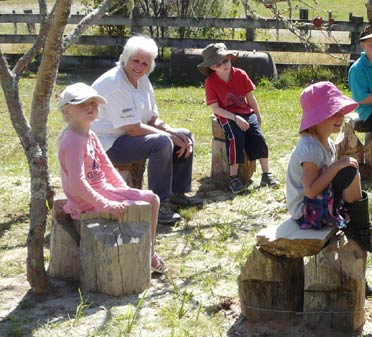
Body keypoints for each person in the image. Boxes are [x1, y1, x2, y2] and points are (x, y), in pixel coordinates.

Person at [91, 35, 201, 226]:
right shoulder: (114, 84)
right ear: (126, 57)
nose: (140, 66)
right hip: (106, 144)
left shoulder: (143, 81)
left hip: (126, 136)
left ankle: (178, 194)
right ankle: (160, 201)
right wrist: (168, 136)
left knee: (185, 134)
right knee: (162, 142)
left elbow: (152, 118)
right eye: (136, 60)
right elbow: (133, 129)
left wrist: (173, 132)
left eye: (145, 63)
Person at [57, 82, 166, 274]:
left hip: (103, 190)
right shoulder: (73, 139)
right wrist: (105, 204)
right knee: (151, 200)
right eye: (82, 104)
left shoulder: (90, 135)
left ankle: (148, 248)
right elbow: (76, 182)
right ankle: (148, 252)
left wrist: (124, 191)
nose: (90, 107)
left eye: (94, 103)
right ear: (67, 111)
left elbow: (107, 168)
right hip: (86, 199)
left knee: (150, 198)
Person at [286, 81, 372, 295]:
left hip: (318, 203)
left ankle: (360, 229)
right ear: (314, 119)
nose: (339, 118)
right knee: (348, 172)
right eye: (331, 113)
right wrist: (336, 166)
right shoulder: (310, 148)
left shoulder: (326, 143)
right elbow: (310, 190)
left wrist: (338, 168)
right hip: (306, 211)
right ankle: (360, 230)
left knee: (349, 172)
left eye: (340, 112)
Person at [197, 43, 279, 193]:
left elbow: (251, 98)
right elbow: (216, 108)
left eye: (225, 60)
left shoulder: (240, 74)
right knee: (235, 136)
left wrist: (257, 116)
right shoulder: (210, 82)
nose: (223, 65)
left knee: (258, 136)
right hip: (226, 115)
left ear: (230, 58)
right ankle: (233, 178)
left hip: (246, 112)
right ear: (211, 67)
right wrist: (235, 118)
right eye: (218, 63)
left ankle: (267, 174)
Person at [348, 25, 372, 141]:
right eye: (371, 44)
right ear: (362, 46)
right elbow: (361, 98)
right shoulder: (358, 69)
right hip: (371, 111)